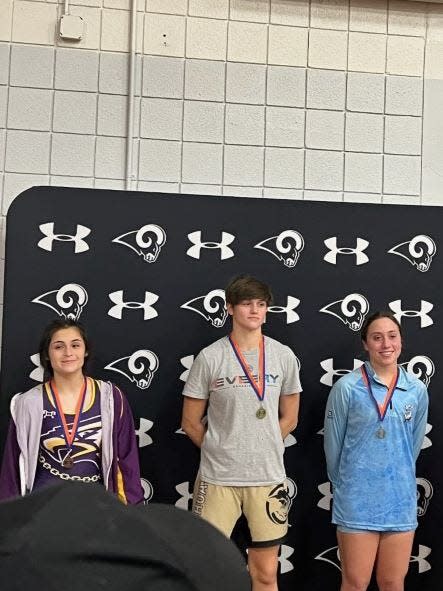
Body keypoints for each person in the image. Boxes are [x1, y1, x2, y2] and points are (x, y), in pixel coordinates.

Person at [181, 275, 302, 591]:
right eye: (247, 304)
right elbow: (191, 422)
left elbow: (290, 417)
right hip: (218, 480)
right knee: (208, 572)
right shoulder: (210, 357)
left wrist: (265, 443)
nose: (255, 310)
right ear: (230, 308)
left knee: (265, 574)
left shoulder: (283, 356)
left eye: (261, 304)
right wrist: (220, 450)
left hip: (267, 479)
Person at [324, 311, 429, 591]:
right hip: (357, 500)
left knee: (392, 583)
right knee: (356, 583)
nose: (386, 344)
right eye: (377, 337)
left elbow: (413, 445)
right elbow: (333, 448)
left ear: (401, 342)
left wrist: (398, 475)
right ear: (365, 344)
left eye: (392, 336)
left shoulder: (416, 389)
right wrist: (350, 486)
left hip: (400, 500)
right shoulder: (346, 387)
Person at [0, 318, 143, 504]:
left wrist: (131, 512)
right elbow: (13, 469)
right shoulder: (29, 402)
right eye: (59, 347)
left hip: (96, 508)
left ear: (86, 351)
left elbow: (126, 461)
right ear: (46, 355)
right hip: (43, 509)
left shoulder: (110, 398)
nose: (68, 353)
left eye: (75, 345)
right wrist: (9, 518)